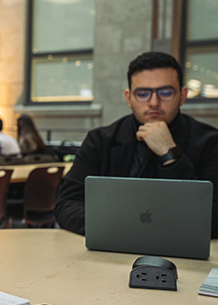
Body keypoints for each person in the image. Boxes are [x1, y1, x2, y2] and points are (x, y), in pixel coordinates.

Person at [55, 51, 218, 237]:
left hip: (183, 258)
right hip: (110, 248)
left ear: (182, 95)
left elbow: (212, 219)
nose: (154, 102)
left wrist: (170, 153)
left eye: (165, 93)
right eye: (142, 93)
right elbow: (66, 205)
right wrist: (127, 228)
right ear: (128, 98)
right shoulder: (99, 141)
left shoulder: (211, 142)